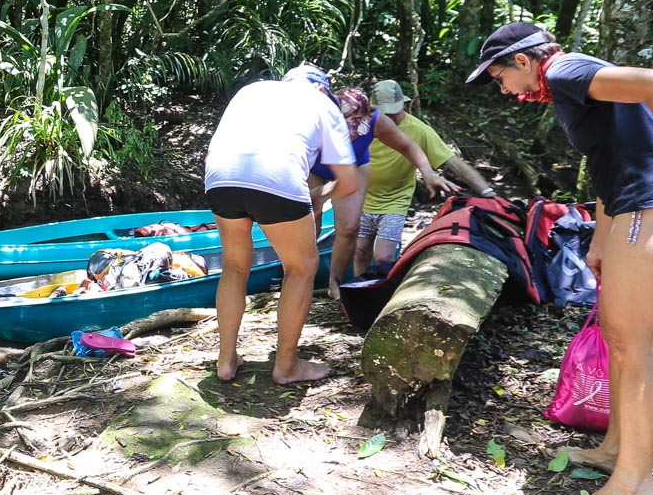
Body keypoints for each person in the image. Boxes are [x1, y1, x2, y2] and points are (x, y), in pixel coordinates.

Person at [469, 22, 653, 495]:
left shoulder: (566, 70)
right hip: (634, 211)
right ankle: (615, 449)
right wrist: (601, 238)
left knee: (636, 347)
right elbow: (614, 163)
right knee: (617, 336)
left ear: (524, 60)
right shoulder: (574, 84)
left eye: (499, 75)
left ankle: (633, 484)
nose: (502, 88)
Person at [203, 72, 363, 385]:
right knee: (301, 268)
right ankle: (287, 366)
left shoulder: (253, 89)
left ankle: (226, 361)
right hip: (277, 176)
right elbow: (349, 182)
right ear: (321, 88)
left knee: (235, 266)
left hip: (219, 174)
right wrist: (319, 197)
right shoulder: (322, 102)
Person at [290, 66, 449, 295]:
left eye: (357, 126)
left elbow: (407, 145)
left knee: (350, 228)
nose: (353, 131)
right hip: (317, 168)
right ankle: (301, 279)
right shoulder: (313, 121)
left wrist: (427, 171)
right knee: (308, 225)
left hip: (354, 166)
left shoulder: (377, 120)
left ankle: (335, 284)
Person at [353, 79, 498, 276]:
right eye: (385, 113)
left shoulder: (419, 130)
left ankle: (384, 291)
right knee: (360, 251)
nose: (391, 118)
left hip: (394, 201)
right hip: (362, 198)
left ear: (405, 104)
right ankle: (356, 296)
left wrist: (487, 192)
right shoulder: (362, 125)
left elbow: (452, 162)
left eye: (395, 112)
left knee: (383, 257)